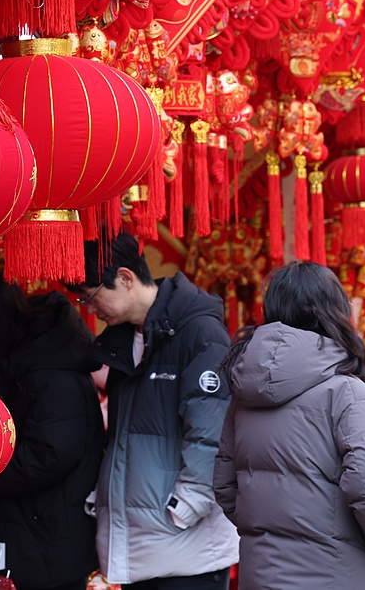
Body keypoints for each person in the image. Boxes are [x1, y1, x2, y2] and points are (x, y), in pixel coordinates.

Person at [212, 262, 365, 590]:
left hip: (262, 572)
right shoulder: (347, 392)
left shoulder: (243, 396)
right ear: (335, 310)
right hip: (337, 571)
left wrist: (266, 532)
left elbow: (225, 485)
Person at [68, 232, 238, 590]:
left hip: (186, 549)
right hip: (140, 544)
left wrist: (186, 507)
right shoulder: (124, 341)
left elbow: (212, 430)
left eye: (92, 295)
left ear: (126, 278)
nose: (89, 308)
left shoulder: (199, 332)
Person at [0, 269, 104, 590]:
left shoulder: (50, 369)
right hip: (32, 527)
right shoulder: (21, 362)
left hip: (50, 532)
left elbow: (49, 453)